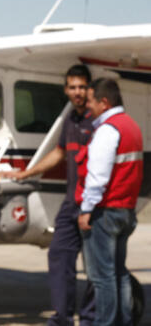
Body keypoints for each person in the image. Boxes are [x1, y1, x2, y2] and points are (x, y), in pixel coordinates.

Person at [2, 64, 95, 325]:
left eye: (82, 87)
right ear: (66, 90)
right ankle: (62, 317)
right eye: (72, 87)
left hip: (94, 204)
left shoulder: (97, 119)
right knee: (58, 255)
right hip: (71, 202)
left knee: (95, 266)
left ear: (89, 89)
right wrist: (25, 173)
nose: (77, 92)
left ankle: (89, 318)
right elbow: (59, 152)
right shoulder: (71, 120)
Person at [76, 78, 143, 325]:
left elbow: (97, 177)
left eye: (91, 101)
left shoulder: (107, 130)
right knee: (119, 273)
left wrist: (86, 209)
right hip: (125, 209)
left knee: (102, 277)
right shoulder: (131, 127)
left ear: (104, 102)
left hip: (105, 211)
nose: (88, 106)